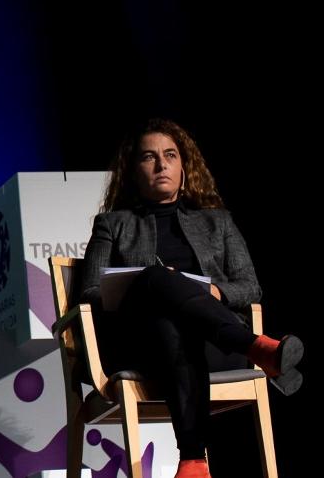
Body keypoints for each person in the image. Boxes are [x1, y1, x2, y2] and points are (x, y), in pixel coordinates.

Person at [76, 119, 303, 478]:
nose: (161, 165)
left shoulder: (217, 222)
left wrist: (215, 291)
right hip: (143, 346)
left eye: (170, 155)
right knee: (157, 284)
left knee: (175, 323)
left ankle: (193, 461)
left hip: (213, 347)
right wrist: (142, 286)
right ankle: (257, 347)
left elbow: (250, 286)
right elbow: (89, 291)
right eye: (148, 157)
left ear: (184, 167)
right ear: (133, 172)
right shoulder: (113, 224)